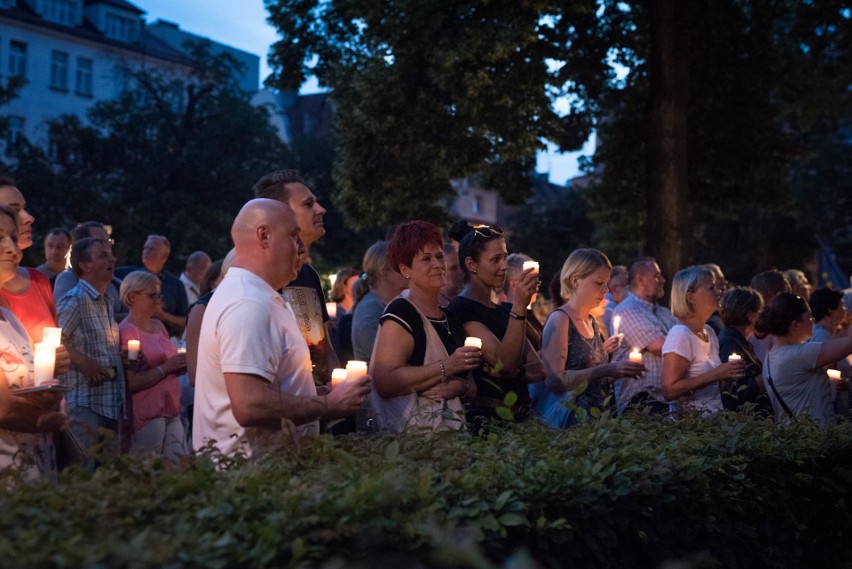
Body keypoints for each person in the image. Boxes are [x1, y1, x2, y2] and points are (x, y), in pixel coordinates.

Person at [192, 199, 368, 457]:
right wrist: (328, 404)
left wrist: (313, 392)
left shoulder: (261, 297)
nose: (301, 249)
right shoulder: (247, 303)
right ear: (264, 236)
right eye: (294, 236)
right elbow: (249, 405)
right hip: (251, 478)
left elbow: (268, 388)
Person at [370, 221, 481, 432]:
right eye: (426, 259)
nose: (438, 264)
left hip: (453, 439)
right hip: (415, 442)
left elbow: (472, 387)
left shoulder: (450, 317)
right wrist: (448, 366)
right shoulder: (402, 313)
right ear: (405, 270)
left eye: (439, 256)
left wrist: (460, 387)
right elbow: (384, 382)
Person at [446, 222, 544, 428]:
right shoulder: (461, 309)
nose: (504, 266)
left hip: (523, 418)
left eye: (505, 257)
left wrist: (515, 373)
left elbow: (539, 369)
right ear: (472, 265)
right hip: (489, 423)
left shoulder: (503, 311)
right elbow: (505, 362)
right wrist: (518, 306)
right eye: (495, 259)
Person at [536, 249, 644, 427]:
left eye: (607, 283)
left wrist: (620, 371)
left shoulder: (591, 321)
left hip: (596, 421)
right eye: (599, 283)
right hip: (569, 424)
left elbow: (592, 380)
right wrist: (607, 369)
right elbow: (554, 380)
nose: (606, 290)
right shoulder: (560, 320)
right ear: (575, 280)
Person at [253, 170, 338, 385]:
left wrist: (337, 386)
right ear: (279, 214)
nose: (321, 210)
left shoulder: (309, 275)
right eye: (308, 204)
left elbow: (325, 347)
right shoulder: (259, 279)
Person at [0, 205, 65, 479]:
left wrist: (49, 390)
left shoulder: (8, 316)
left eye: (14, 238)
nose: (13, 248)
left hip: (32, 473)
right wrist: (47, 419)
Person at [56, 237, 126, 466]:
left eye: (111, 254)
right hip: (85, 403)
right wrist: (83, 361)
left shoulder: (107, 302)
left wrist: (120, 359)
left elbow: (100, 346)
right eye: (103, 255)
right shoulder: (75, 299)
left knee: (106, 482)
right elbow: (51, 339)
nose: (112, 259)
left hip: (109, 403)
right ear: (85, 266)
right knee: (84, 476)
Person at [118, 271, 188, 460]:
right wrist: (167, 367)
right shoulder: (128, 332)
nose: (158, 301)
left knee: (178, 463)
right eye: (152, 295)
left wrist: (179, 366)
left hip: (171, 407)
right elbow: (131, 383)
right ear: (132, 296)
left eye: (159, 295)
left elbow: (168, 361)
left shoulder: (159, 326)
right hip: (149, 413)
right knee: (149, 466)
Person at [755, 293, 852, 427]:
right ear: (795, 324)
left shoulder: (771, 357)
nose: (813, 320)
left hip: (795, 437)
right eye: (809, 316)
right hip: (814, 440)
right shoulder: (797, 355)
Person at [662, 266, 746, 415]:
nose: (719, 291)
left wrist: (726, 376)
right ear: (690, 297)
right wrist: (716, 374)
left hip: (711, 426)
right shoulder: (680, 335)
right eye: (711, 288)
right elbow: (669, 390)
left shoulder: (709, 332)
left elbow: (711, 389)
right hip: (691, 430)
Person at [610, 257, 677, 415]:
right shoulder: (628, 310)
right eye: (657, 276)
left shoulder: (665, 313)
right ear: (640, 279)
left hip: (667, 400)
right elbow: (661, 346)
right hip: (641, 403)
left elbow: (681, 344)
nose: (663, 280)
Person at [0, 179, 59, 344]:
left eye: (24, 208)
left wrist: (60, 356)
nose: (30, 218)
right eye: (14, 210)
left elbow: (53, 345)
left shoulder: (39, 280)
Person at [54, 222, 127, 324]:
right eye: (101, 240)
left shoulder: (116, 283)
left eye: (108, 240)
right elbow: (85, 319)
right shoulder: (68, 279)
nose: (107, 245)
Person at [351, 241, 408, 361]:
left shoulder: (390, 304)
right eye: (401, 265)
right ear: (384, 270)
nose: (408, 269)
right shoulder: (370, 313)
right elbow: (392, 366)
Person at [717, 287, 771, 414]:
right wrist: (767, 377)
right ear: (751, 316)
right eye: (760, 312)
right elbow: (736, 393)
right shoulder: (731, 343)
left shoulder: (739, 340)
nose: (762, 316)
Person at [808, 287, 850, 416]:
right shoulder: (822, 337)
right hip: (830, 409)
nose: (845, 310)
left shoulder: (822, 334)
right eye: (841, 306)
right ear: (830, 311)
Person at [502, 253, 545, 352]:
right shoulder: (507, 317)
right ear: (514, 284)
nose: (537, 284)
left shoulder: (529, 314)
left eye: (537, 278)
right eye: (531, 279)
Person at [749, 270, 792, 361]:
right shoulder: (774, 328)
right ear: (779, 295)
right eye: (788, 295)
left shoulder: (750, 323)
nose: (791, 300)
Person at [602, 264, 628, 334]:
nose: (627, 289)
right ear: (613, 287)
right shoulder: (608, 309)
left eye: (628, 284)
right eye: (623, 285)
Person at [702, 264, 727, 335]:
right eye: (718, 279)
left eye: (723, 278)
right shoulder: (710, 323)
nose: (724, 283)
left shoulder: (725, 314)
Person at [438, 241, 464, 307]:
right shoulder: (434, 307)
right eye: (454, 268)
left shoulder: (465, 301)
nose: (460, 272)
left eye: (460, 266)